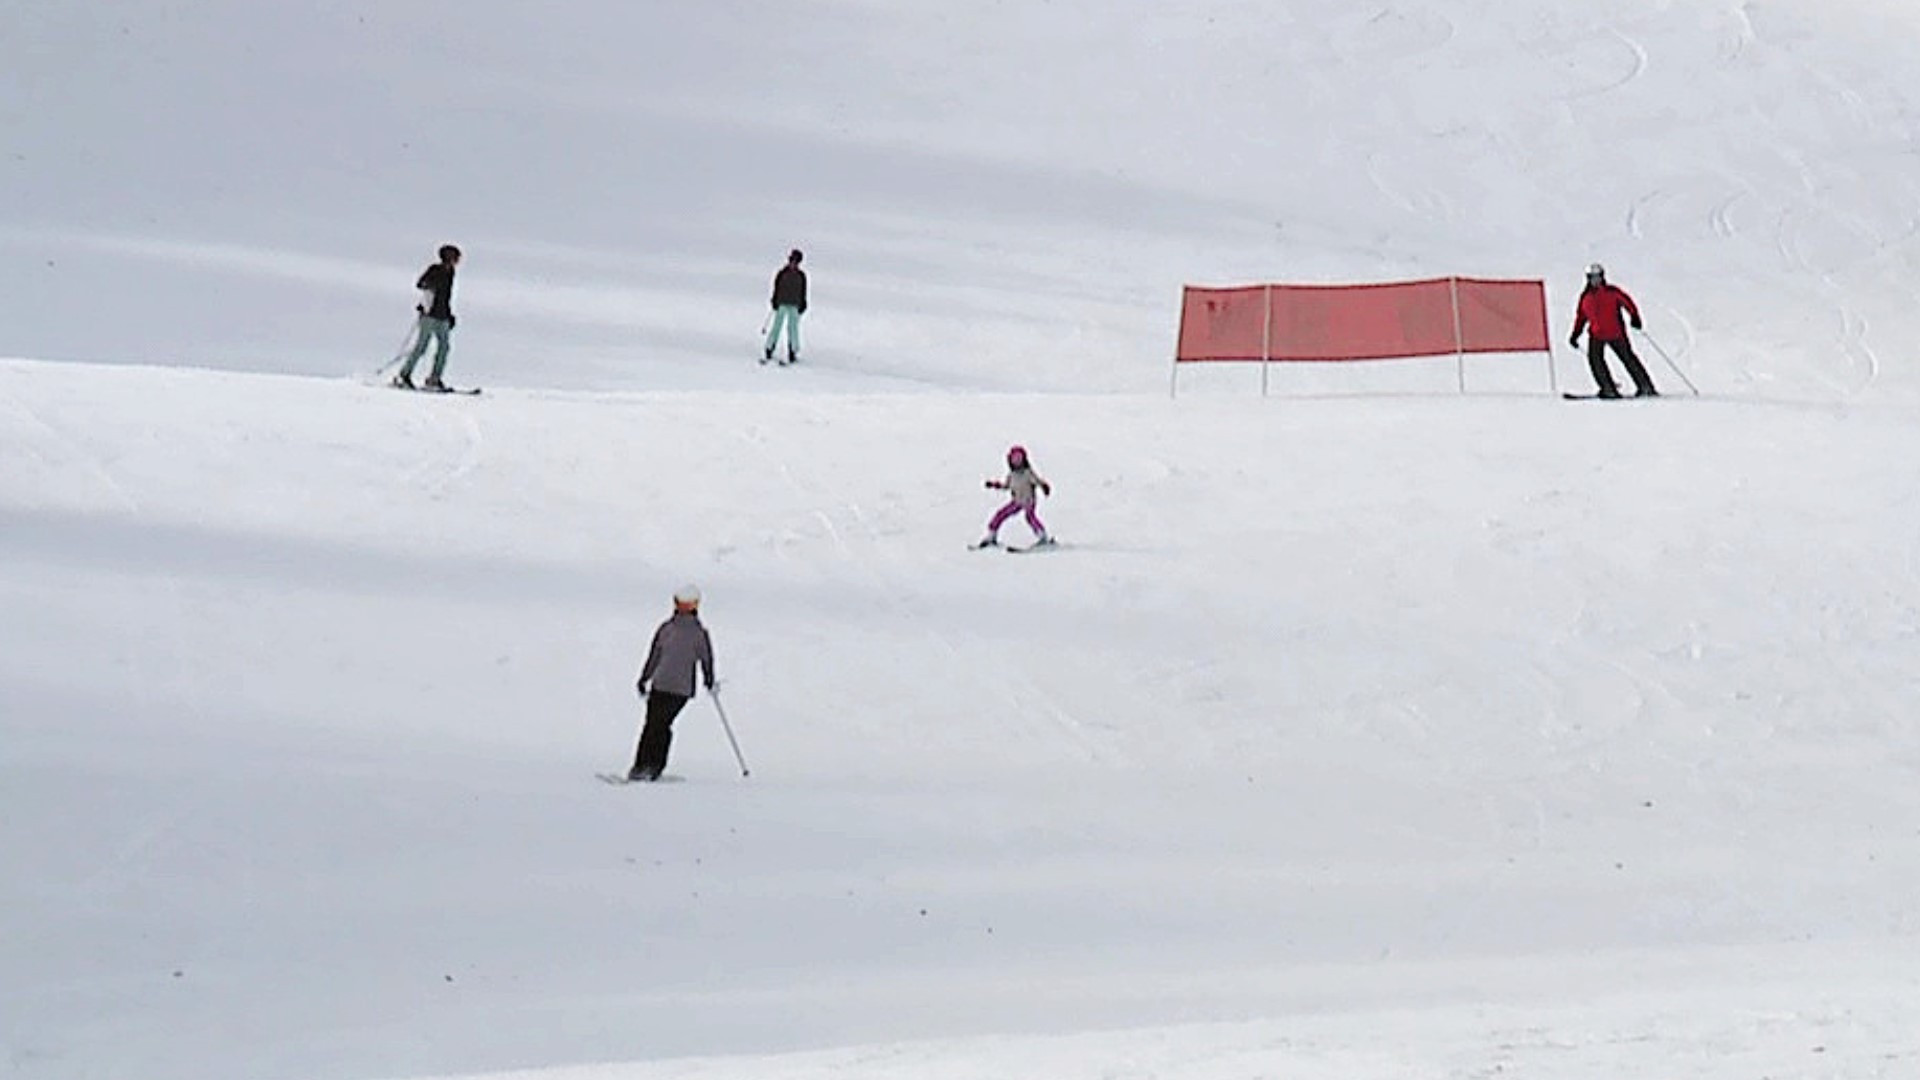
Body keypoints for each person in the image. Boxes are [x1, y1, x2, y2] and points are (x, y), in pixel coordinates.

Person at [629, 585, 717, 781]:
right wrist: (645, 678)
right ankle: (641, 766)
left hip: (678, 689)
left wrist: (709, 679)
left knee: (659, 725)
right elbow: (655, 655)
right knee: (653, 725)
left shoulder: (696, 633)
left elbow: (706, 659)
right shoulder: (667, 629)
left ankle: (652, 767)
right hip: (661, 685)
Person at [1569, 262, 1656, 398]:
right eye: (1592, 278)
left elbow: (1628, 302)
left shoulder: (1612, 292)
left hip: (1615, 333)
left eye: (1597, 278)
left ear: (1602, 277)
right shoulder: (1586, 297)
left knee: (1628, 359)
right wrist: (1575, 334)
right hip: (1596, 334)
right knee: (1595, 361)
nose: (1595, 281)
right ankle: (1608, 388)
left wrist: (1634, 317)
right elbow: (1581, 317)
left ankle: (1645, 386)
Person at [394, 244, 461, 391]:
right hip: (429, 315)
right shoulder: (435, 269)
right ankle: (404, 375)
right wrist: (430, 285)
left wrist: (449, 315)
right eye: (456, 257)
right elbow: (420, 284)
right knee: (421, 347)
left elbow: (446, 297)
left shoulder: (451, 273)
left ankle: (434, 379)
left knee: (444, 348)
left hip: (442, 315)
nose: (458, 260)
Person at [975, 445, 1053, 549]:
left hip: (1028, 501)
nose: (1017, 462)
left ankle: (1042, 536)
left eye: (1019, 459)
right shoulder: (1012, 475)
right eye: (1014, 459)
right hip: (1017, 501)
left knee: (1030, 517)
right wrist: (995, 485)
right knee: (1000, 514)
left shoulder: (1027, 473)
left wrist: (1044, 487)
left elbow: (1037, 481)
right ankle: (991, 535)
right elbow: (1006, 485)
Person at [763, 249, 807, 366]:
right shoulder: (782, 273)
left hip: (794, 304)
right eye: (792, 260)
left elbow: (803, 291)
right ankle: (769, 348)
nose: (793, 263)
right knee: (776, 327)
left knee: (793, 329)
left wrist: (803, 303)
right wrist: (774, 300)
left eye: (796, 261)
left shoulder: (801, 276)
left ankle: (793, 351)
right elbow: (776, 287)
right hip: (782, 303)